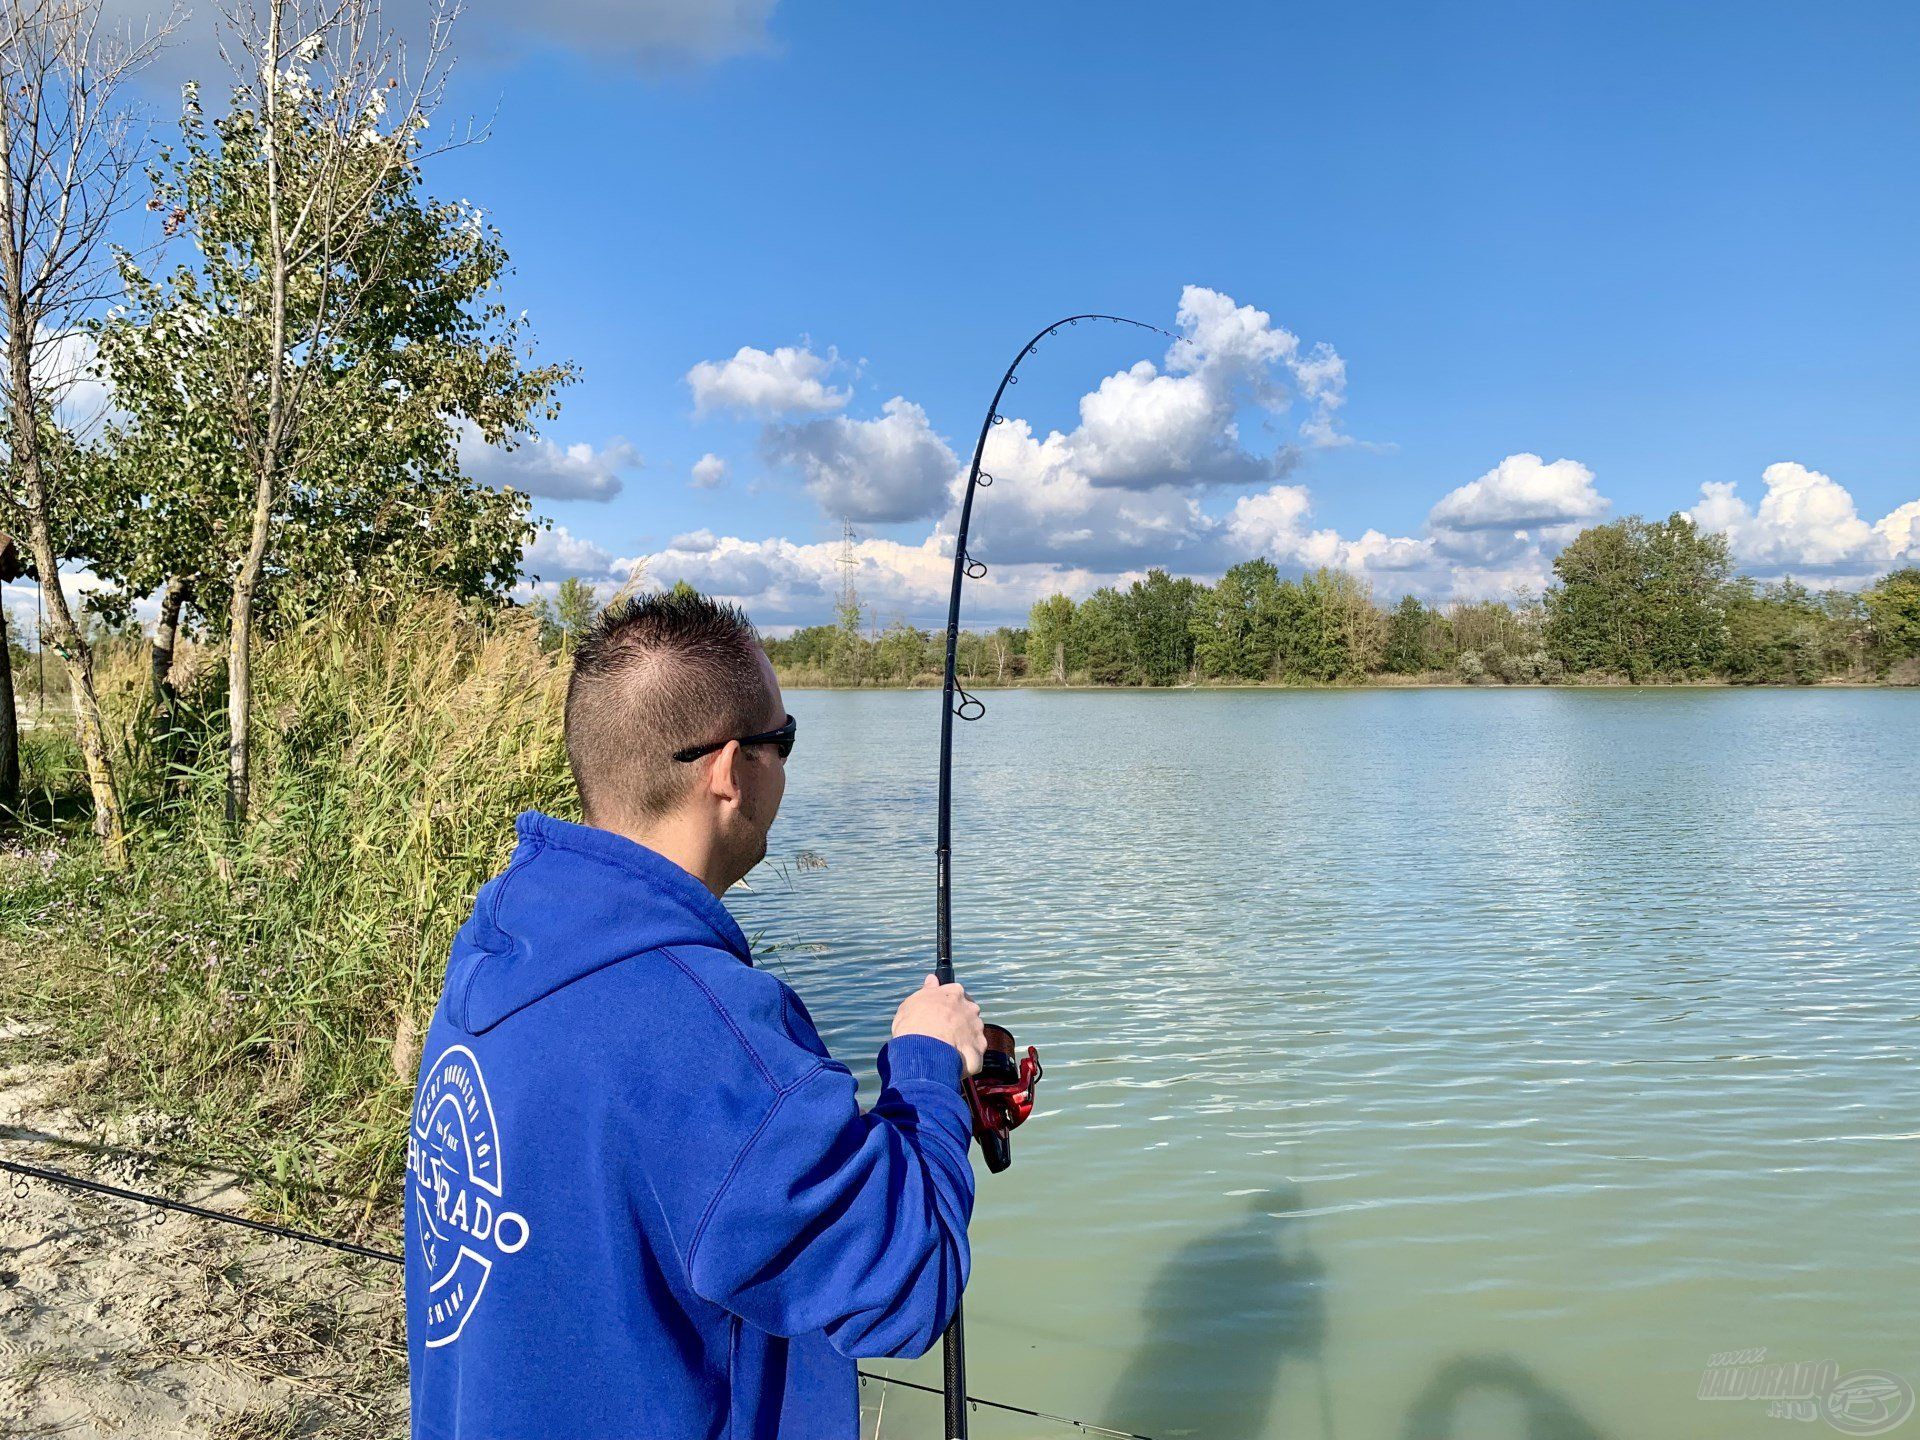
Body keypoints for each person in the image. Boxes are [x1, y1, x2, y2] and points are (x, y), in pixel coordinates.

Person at [404, 590, 986, 1439]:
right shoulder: (707, 1034)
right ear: (727, 768)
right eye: (783, 740)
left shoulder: (503, 933)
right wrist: (928, 1069)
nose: (786, 762)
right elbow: (908, 1281)